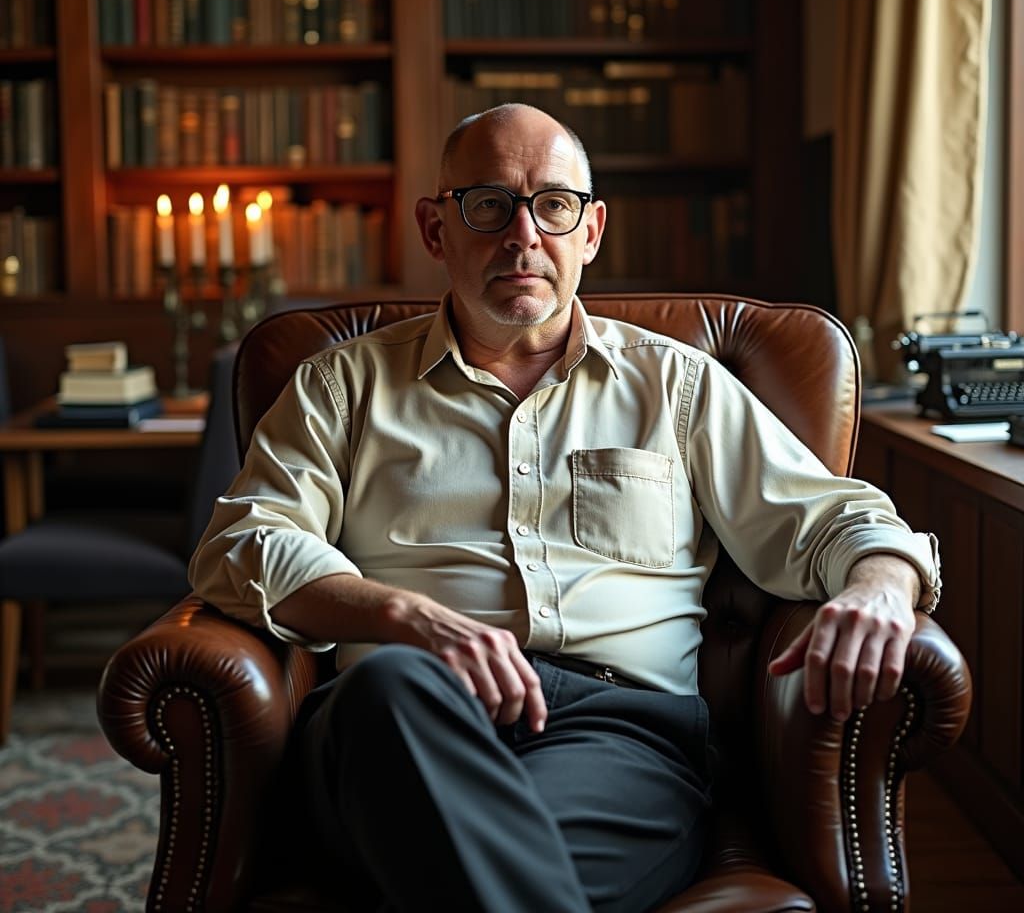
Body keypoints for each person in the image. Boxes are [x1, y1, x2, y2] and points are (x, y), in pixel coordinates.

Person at [189, 103, 940, 912]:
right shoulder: (342, 387)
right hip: (407, 717)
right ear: (436, 229)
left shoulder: (677, 386)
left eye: (553, 205)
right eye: (489, 205)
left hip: (616, 735)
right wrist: (406, 618)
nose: (523, 236)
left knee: (464, 867)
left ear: (591, 231)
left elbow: (833, 521)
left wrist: (881, 586)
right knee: (385, 690)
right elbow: (243, 542)